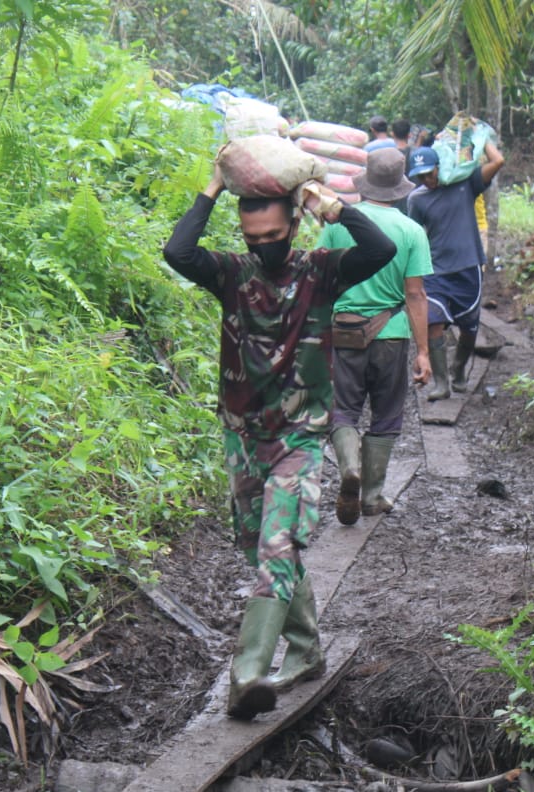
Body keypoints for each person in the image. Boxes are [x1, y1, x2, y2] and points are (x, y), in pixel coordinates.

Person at [162, 167, 397, 720]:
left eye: (274, 236)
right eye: (254, 239)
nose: (264, 247)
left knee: (277, 547)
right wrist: (213, 189)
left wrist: (331, 208)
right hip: (244, 434)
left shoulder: (323, 271)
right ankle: (309, 648)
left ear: (293, 223)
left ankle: (248, 673)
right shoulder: (229, 273)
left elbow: (380, 248)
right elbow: (177, 250)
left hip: (301, 434)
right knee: (258, 547)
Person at [316, 148, 434, 524]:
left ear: (364, 183)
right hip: (392, 334)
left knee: (343, 410)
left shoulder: (338, 224)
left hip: (342, 330)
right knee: (385, 415)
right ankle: (371, 495)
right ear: (400, 189)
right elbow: (415, 294)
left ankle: (348, 467)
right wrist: (423, 352)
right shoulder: (412, 231)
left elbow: (319, 277)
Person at [406, 141, 505, 400]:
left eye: (430, 173)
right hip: (436, 270)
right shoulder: (416, 200)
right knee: (434, 322)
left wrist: (480, 135)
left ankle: (458, 367)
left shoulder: (465, 185)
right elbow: (414, 236)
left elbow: (497, 162)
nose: (427, 180)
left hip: (468, 267)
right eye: (420, 176)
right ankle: (441, 383)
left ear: (441, 167)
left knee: (469, 327)